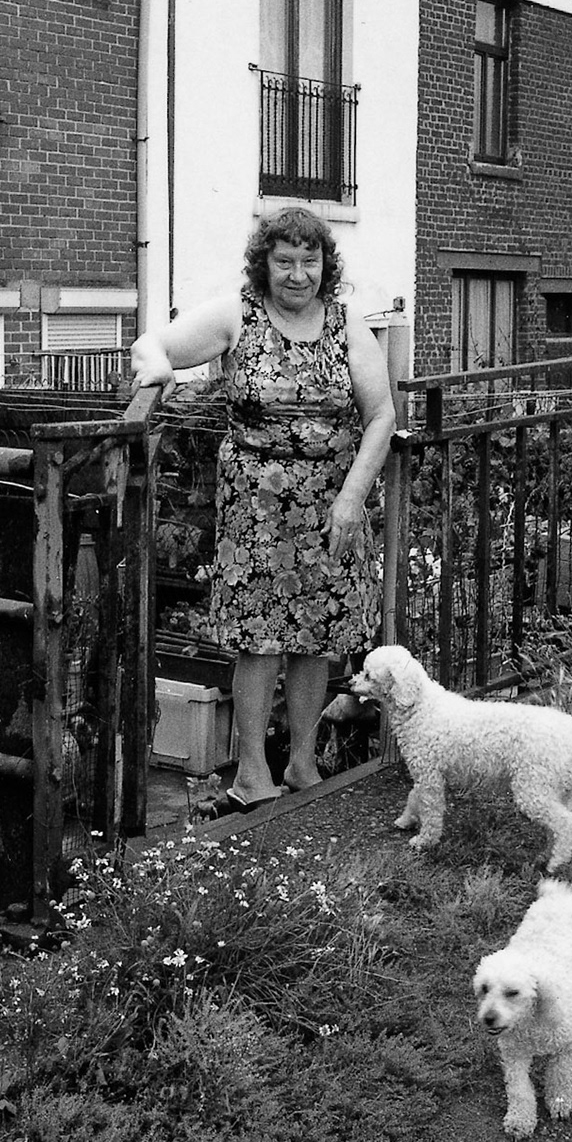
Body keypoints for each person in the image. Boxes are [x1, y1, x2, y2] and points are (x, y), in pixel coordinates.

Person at [131, 208, 395, 809]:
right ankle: (252, 775)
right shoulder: (238, 314)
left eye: (310, 261)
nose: (298, 275)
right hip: (256, 508)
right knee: (259, 640)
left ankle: (301, 765)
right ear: (264, 263)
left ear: (325, 265)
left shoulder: (348, 325)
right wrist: (160, 368)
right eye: (284, 262)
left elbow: (381, 416)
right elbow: (153, 343)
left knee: (313, 636)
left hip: (331, 504)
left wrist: (353, 495)